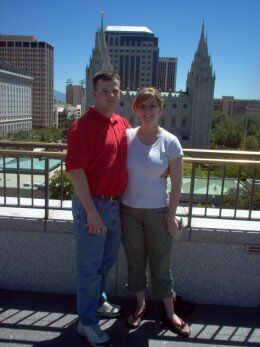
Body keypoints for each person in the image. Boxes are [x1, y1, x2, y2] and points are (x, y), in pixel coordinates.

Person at [66, 70, 130, 346]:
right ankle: (87, 323)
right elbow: (75, 171)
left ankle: (98, 301)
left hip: (115, 205)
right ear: (95, 93)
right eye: (105, 90)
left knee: (105, 262)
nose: (111, 95)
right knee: (89, 268)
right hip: (93, 205)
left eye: (114, 90)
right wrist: (91, 211)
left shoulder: (122, 122)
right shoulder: (82, 127)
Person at [120, 87, 191, 337]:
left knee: (161, 263)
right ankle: (140, 305)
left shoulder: (170, 142)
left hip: (158, 212)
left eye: (152, 106)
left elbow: (178, 184)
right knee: (136, 262)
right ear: (135, 109)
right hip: (128, 211)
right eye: (142, 106)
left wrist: (171, 218)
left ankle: (170, 311)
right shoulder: (126, 136)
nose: (147, 110)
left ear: (161, 108)